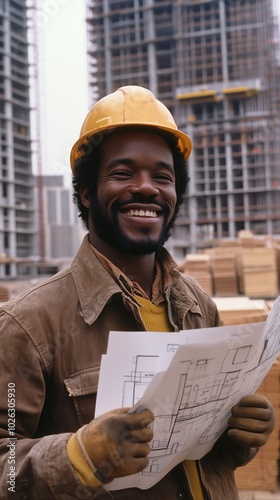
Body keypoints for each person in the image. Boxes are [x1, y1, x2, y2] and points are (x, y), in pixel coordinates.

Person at [0, 85, 275, 500]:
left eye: (162, 176)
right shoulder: (29, 324)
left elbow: (204, 457)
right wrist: (78, 455)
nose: (147, 188)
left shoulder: (198, 306)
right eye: (123, 173)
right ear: (88, 193)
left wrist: (242, 437)